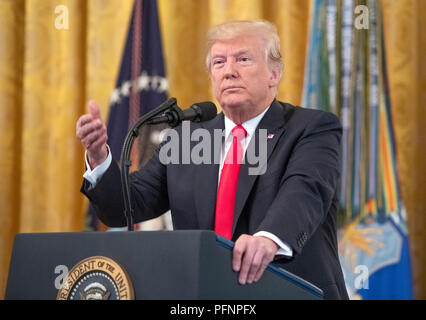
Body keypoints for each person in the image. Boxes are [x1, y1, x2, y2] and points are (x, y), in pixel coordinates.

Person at [76, 20, 348, 299]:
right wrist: (99, 158)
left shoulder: (312, 128)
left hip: (290, 291)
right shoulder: (185, 139)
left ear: (274, 74)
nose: (229, 71)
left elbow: (304, 190)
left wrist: (268, 238)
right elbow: (125, 207)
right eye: (219, 62)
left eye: (243, 59)